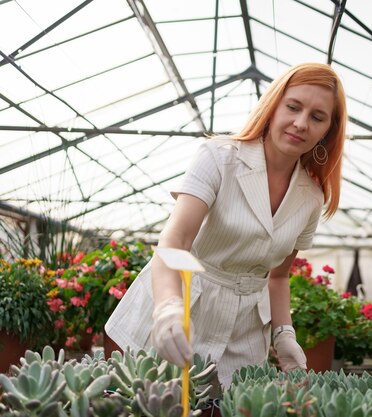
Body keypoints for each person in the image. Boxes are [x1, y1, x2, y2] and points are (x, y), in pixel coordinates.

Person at [104, 62, 347, 387]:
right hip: (183, 304)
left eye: (317, 117)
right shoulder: (219, 157)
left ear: (328, 131)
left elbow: (277, 277)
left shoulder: (311, 197)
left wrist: (284, 334)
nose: (301, 123)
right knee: (151, 402)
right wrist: (167, 309)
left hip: (243, 331)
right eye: (293, 107)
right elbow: (174, 243)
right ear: (273, 106)